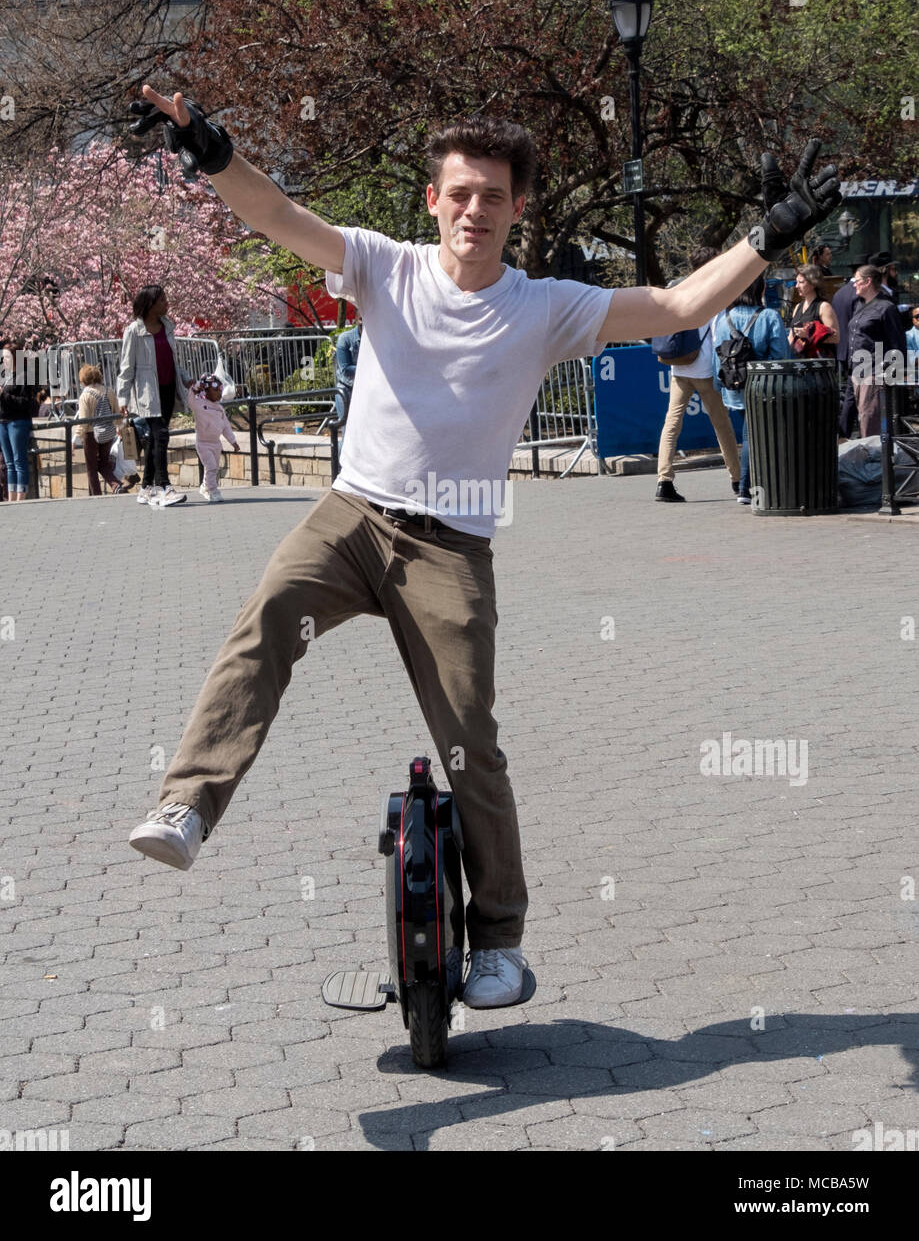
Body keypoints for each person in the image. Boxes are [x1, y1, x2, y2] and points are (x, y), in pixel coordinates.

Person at [125, 87, 839, 1007]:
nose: (474, 210)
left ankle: (498, 938)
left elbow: (666, 307)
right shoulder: (382, 266)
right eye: (458, 193)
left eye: (492, 196)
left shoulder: (543, 307)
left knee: (471, 744)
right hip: (352, 517)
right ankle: (187, 803)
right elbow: (274, 213)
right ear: (432, 202)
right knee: (263, 617)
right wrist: (205, 143)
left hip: (452, 548)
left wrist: (765, 236)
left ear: (517, 207)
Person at [655, 246, 742, 502]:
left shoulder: (679, 288)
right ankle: (738, 478)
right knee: (721, 425)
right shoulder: (713, 294)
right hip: (704, 368)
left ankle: (664, 480)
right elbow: (718, 334)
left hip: (679, 366)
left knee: (671, 424)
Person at [712, 274, 788, 506]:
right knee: (752, 436)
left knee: (751, 433)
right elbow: (781, 356)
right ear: (762, 289)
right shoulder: (770, 317)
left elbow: (718, 361)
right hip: (764, 387)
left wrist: (721, 387)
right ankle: (746, 488)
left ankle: (750, 487)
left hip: (734, 387)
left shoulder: (724, 319)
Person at [116, 285, 191, 508]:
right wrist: (122, 398)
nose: (166, 304)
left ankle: (146, 487)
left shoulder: (167, 327)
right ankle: (164, 486)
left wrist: (187, 379)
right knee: (161, 435)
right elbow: (127, 367)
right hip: (147, 392)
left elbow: (174, 360)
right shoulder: (133, 331)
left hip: (168, 389)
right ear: (149, 304)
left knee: (155, 439)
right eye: (162, 301)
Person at [844, 264, 906, 438]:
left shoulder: (886, 307)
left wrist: (893, 376)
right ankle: (871, 457)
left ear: (867, 282)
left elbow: (897, 343)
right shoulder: (859, 305)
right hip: (857, 370)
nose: (854, 284)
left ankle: (876, 461)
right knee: (864, 417)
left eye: (857, 281)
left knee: (869, 419)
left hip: (875, 371)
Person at [74, 363, 130, 495]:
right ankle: (116, 486)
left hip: (91, 434)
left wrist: (75, 440)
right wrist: (120, 427)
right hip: (109, 432)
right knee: (104, 464)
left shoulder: (85, 396)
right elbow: (117, 414)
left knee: (91, 469)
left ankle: (96, 496)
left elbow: (83, 421)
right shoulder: (109, 391)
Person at [187, 373, 240, 502]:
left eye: (220, 390)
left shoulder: (220, 409)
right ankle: (213, 490)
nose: (219, 393)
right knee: (211, 467)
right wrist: (195, 387)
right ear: (206, 391)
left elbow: (226, 427)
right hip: (203, 444)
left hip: (216, 444)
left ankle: (205, 486)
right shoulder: (200, 404)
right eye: (215, 390)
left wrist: (233, 441)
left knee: (212, 468)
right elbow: (190, 401)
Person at [0, 341, 38, 501]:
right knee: (9, 463)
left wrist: (3, 395)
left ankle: (20, 498)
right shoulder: (4, 376)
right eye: (2, 357)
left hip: (18, 421)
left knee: (18, 460)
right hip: (3, 421)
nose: (4, 361)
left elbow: (27, 403)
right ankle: (11, 497)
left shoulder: (24, 376)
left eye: (7, 357)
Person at [787, 264, 839, 358]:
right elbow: (791, 337)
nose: (796, 286)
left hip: (819, 366)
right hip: (800, 365)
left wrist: (809, 335)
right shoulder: (798, 307)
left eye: (801, 282)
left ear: (813, 284)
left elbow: (836, 337)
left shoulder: (824, 307)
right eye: (796, 282)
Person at [333, 313, 362, 445]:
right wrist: (369, 367)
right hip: (346, 390)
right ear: (357, 320)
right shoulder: (345, 338)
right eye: (361, 319)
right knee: (348, 434)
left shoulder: (375, 339)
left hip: (364, 390)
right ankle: (338, 465)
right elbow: (345, 369)